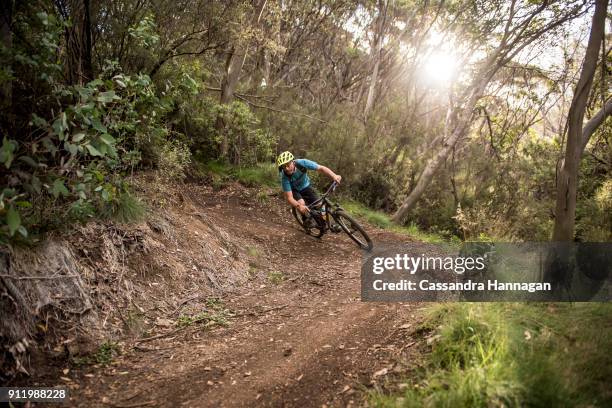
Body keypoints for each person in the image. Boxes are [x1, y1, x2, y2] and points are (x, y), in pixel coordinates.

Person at [276, 151, 342, 217]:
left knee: (321, 206)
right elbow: (289, 198)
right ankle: (305, 218)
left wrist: (334, 176)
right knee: (301, 203)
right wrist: (299, 206)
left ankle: (323, 223)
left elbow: (321, 168)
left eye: (288, 165)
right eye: (284, 167)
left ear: (293, 162)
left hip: (306, 186)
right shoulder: (284, 178)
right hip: (294, 190)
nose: (286, 169)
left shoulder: (302, 163)